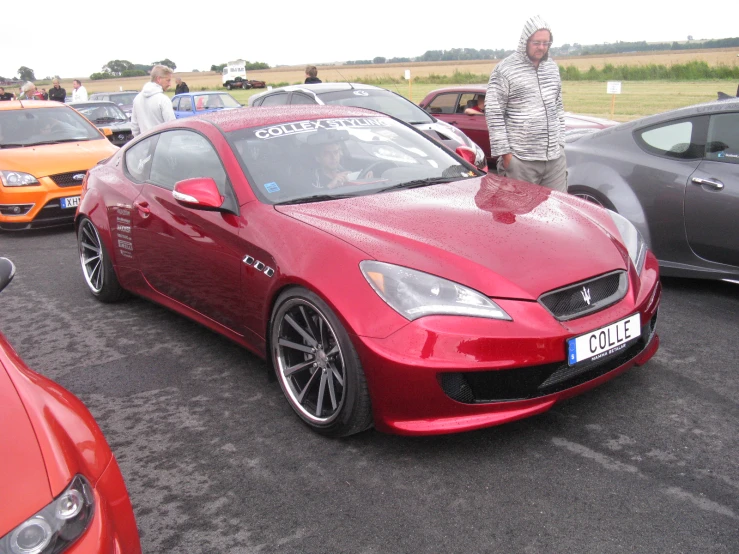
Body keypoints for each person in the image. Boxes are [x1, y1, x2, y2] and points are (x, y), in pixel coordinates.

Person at [485, 15, 567, 192]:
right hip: (520, 161)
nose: (541, 48)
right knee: (520, 215)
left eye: (546, 43)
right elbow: (494, 113)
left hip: (554, 161)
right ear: (525, 40)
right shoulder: (505, 70)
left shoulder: (552, 68)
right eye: (537, 42)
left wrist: (560, 143)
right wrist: (507, 156)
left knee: (558, 213)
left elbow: (558, 107)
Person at [131, 64, 176, 137]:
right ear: (159, 79)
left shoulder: (137, 99)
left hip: (144, 145)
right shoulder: (163, 100)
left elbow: (135, 128)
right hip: (163, 145)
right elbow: (172, 126)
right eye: (168, 80)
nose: (170, 84)